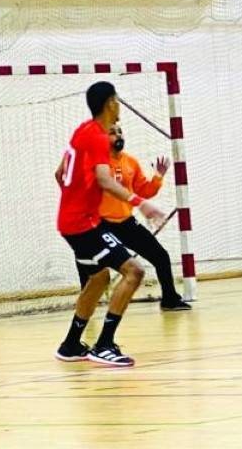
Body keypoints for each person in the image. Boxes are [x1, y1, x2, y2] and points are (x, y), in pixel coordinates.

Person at [52, 81, 165, 367]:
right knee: (134, 271)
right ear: (110, 103)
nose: (119, 104)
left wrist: (75, 197)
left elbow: (60, 172)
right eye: (116, 99)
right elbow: (104, 179)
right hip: (84, 223)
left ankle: (70, 345)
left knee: (99, 278)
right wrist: (141, 203)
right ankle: (103, 345)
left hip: (71, 220)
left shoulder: (82, 130)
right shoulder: (98, 138)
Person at [100, 124, 191, 310]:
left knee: (161, 256)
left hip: (126, 223)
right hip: (102, 225)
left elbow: (144, 191)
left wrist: (157, 177)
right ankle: (88, 306)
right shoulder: (98, 164)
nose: (118, 135)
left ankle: (170, 300)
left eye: (120, 131)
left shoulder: (131, 162)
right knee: (96, 269)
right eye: (112, 132)